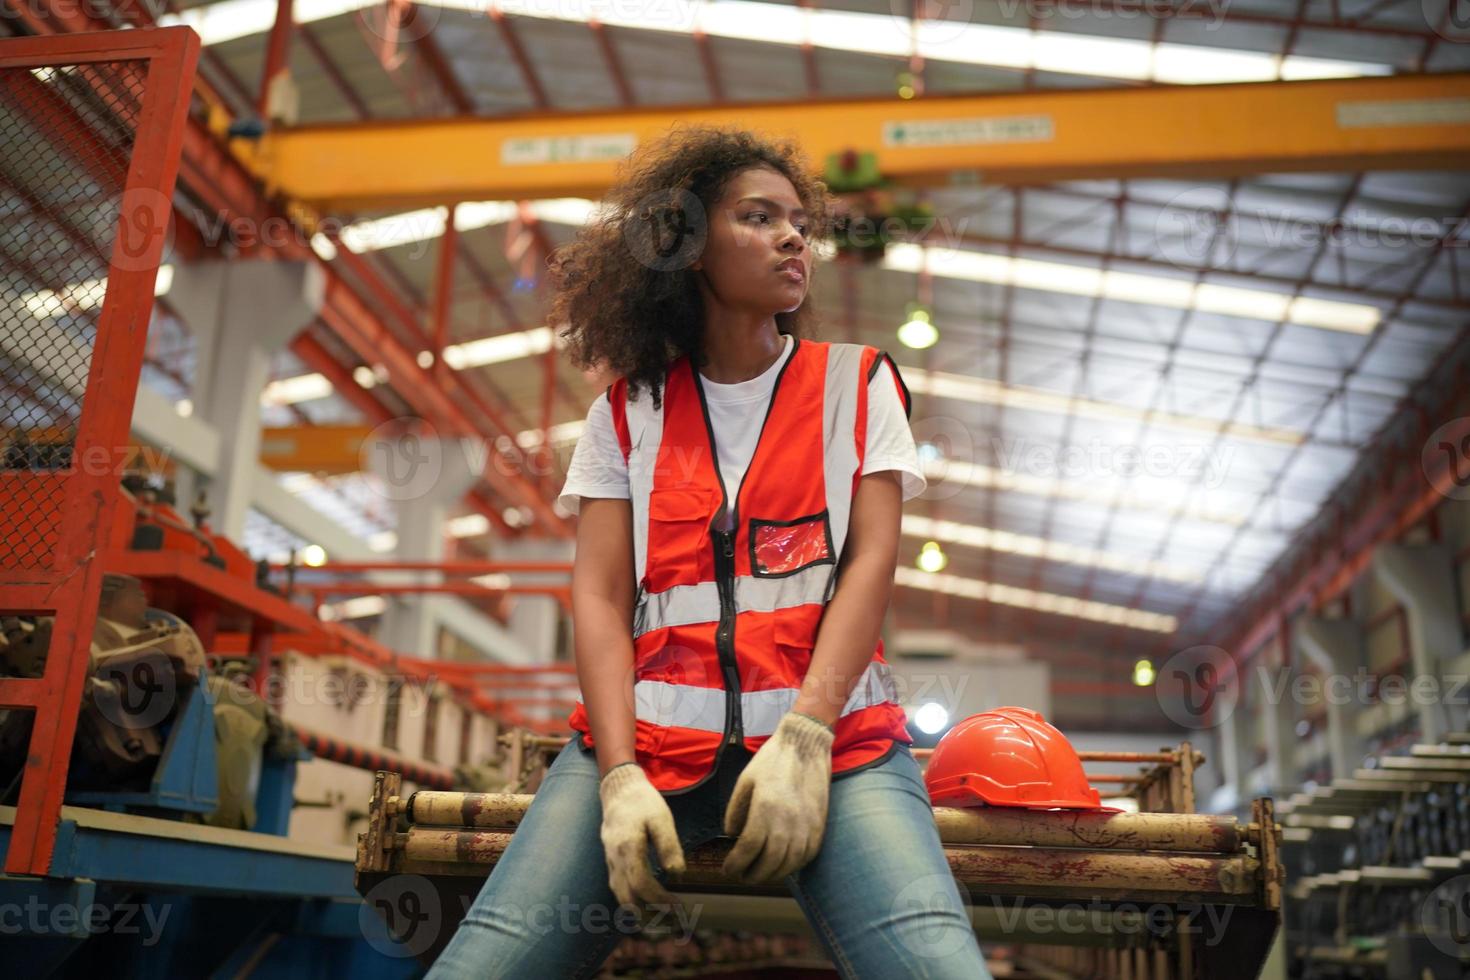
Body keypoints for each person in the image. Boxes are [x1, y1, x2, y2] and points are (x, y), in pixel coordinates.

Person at [427, 125, 990, 979]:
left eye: (798, 220)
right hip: (646, 750)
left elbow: (870, 563)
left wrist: (806, 735)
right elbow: (599, 599)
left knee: (939, 969)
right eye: (759, 218)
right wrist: (616, 778)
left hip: (836, 754)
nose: (794, 236)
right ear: (688, 247)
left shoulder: (857, 383)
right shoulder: (625, 416)